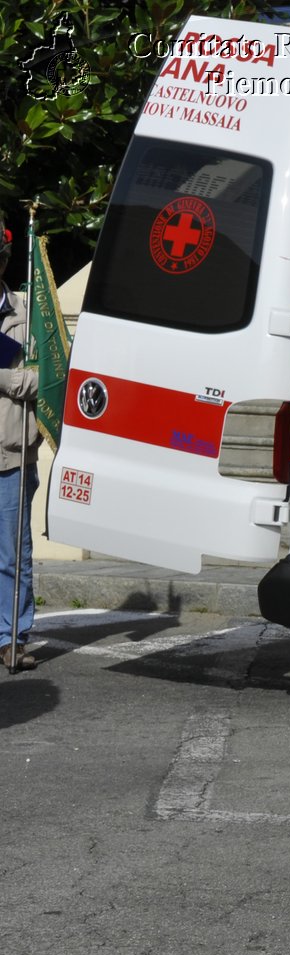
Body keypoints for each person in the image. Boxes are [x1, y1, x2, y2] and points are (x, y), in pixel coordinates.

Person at [0, 215, 39, 673]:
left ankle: (13, 637)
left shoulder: (27, 313)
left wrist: (5, 377)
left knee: (13, 555)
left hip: (12, 452)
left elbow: (45, 379)